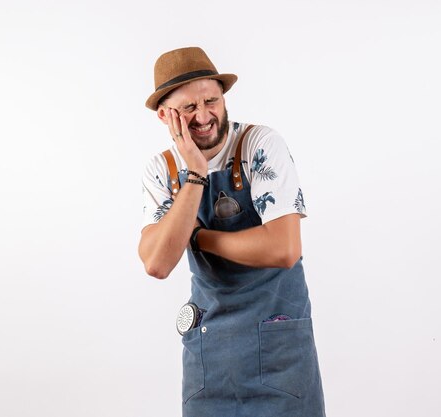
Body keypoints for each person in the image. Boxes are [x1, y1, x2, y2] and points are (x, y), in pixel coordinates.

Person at [139, 46, 326, 417]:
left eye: (212, 100)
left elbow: (284, 248)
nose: (205, 115)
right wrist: (194, 174)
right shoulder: (161, 169)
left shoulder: (260, 145)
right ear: (164, 115)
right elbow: (157, 263)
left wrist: (197, 237)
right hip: (209, 355)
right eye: (189, 108)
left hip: (279, 350)